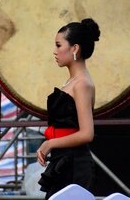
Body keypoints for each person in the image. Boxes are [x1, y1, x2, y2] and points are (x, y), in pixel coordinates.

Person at [37, 18, 100, 199]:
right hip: (64, 160)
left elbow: (87, 133)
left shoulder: (82, 84)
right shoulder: (73, 82)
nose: (55, 51)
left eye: (59, 45)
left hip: (74, 164)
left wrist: (50, 143)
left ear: (75, 49)